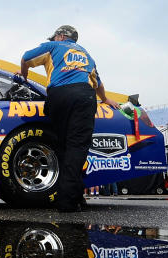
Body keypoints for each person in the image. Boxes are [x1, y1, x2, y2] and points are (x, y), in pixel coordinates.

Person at [19, 25, 119, 212]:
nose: (53, 39)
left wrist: (24, 77)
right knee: (77, 148)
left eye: (55, 36)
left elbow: (26, 57)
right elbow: (98, 83)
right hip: (83, 96)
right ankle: (68, 200)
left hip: (58, 96)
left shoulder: (54, 47)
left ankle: (74, 196)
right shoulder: (87, 56)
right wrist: (105, 99)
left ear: (61, 36)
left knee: (63, 146)